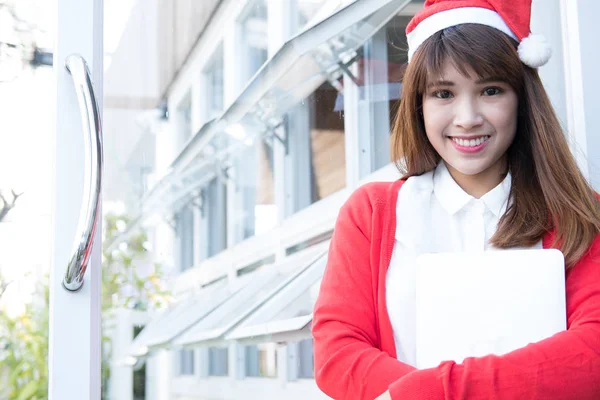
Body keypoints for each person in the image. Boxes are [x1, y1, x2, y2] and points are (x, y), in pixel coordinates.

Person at [311, 0, 600, 399]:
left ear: (523, 98)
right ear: (419, 104)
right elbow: (337, 352)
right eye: (443, 93)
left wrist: (434, 392)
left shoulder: (578, 212)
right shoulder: (373, 213)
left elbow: (593, 351)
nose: (467, 117)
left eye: (491, 90)